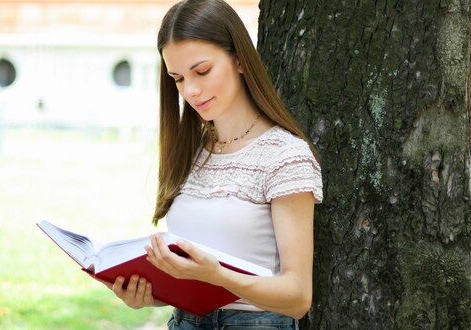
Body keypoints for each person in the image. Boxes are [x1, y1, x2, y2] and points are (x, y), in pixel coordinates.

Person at [99, 0, 323, 328]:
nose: (190, 90)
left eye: (202, 71)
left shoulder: (285, 157)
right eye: (177, 78)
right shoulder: (192, 151)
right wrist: (149, 293)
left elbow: (298, 296)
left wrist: (218, 275)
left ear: (240, 60)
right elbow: (191, 279)